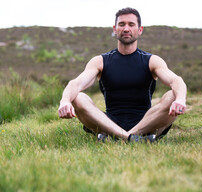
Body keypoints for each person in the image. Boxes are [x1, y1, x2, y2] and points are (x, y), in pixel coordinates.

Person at [58, 7, 187, 142]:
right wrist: (65, 101)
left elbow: (176, 81)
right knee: (78, 97)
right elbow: (76, 83)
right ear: (115, 29)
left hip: (147, 122)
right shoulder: (100, 61)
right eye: (121, 24)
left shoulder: (151, 61)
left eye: (131, 25)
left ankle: (120, 137)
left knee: (173, 95)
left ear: (140, 30)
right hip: (109, 123)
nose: (126, 29)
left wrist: (180, 100)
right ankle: (132, 138)